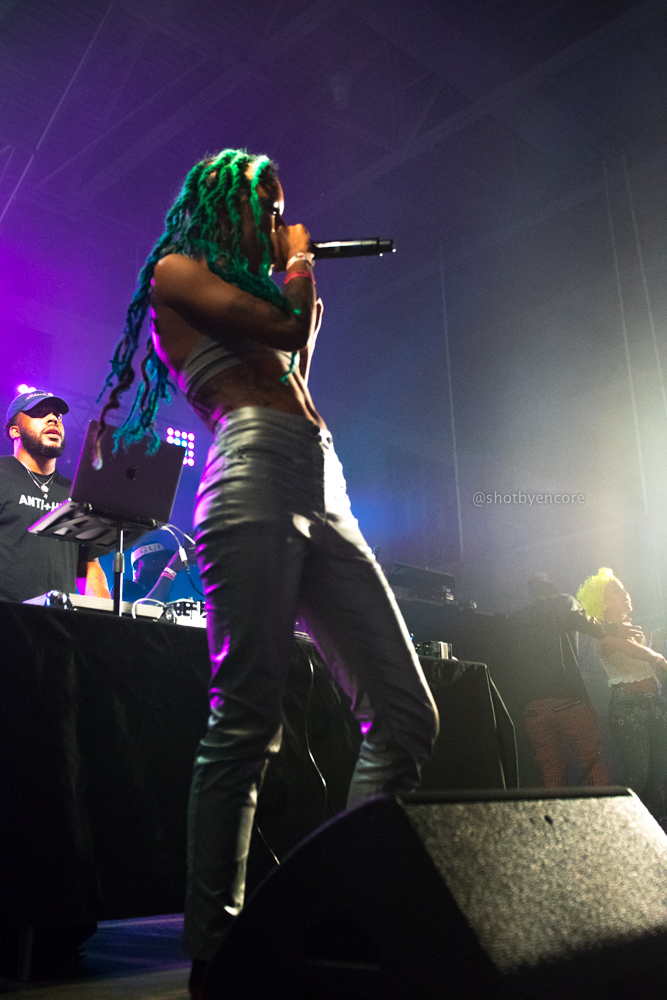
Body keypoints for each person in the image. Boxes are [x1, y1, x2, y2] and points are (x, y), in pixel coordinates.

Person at [97, 148, 439, 994]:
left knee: (406, 716)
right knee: (247, 719)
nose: (279, 217)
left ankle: (349, 911)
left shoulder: (269, 295)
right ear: (225, 204)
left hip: (324, 475)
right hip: (249, 469)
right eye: (268, 204)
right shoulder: (178, 272)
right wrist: (298, 264)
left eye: (282, 208)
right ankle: (217, 948)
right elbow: (282, 332)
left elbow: (296, 361)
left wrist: (301, 289)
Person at [508, 576, 634, 788]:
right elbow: (583, 621)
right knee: (593, 761)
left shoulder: (517, 617)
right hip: (568, 699)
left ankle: (553, 811)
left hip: (532, 708)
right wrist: (614, 629)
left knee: (551, 770)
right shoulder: (562, 601)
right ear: (553, 591)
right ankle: (601, 808)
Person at [0, 389, 110, 602]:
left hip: (58, 618)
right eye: (39, 413)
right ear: (15, 431)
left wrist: (105, 612)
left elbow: (88, 564)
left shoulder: (76, 493)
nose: (53, 419)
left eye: (57, 416)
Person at [577, 567, 667, 821]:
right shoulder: (601, 632)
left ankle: (654, 831)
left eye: (623, 588)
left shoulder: (633, 629)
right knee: (638, 775)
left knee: (659, 774)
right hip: (628, 708)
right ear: (602, 601)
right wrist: (656, 657)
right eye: (617, 591)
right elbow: (615, 646)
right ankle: (622, 827)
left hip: (654, 703)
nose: (626, 593)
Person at [120, 533, 196, 604]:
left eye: (163, 560)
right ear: (137, 566)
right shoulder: (124, 587)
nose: (162, 565)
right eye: (154, 560)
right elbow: (142, 609)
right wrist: (170, 570)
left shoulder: (163, 591)